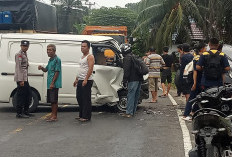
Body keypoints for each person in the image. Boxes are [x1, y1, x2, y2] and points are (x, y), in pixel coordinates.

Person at [182, 42, 206, 121]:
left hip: (199, 81)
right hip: (197, 80)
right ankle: (186, 114)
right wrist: (195, 83)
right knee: (192, 98)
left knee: (199, 97)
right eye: (205, 47)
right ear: (202, 49)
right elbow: (195, 71)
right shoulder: (198, 58)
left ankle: (193, 111)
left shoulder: (198, 57)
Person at [38, 44, 62, 122]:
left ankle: (54, 116)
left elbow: (57, 72)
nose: (48, 51)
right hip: (50, 84)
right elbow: (46, 70)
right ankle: (52, 114)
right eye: (47, 50)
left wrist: (52, 83)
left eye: (50, 50)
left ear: (54, 51)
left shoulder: (57, 60)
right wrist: (42, 68)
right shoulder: (50, 60)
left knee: (54, 100)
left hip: (54, 84)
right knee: (52, 100)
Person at [73, 40, 94, 122]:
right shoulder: (82, 57)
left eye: (84, 46)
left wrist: (86, 79)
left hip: (87, 80)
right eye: (81, 46)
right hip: (80, 79)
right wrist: (76, 79)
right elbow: (80, 69)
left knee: (86, 99)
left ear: (88, 48)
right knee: (79, 98)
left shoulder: (90, 57)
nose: (82, 48)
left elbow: (90, 68)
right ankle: (81, 114)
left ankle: (86, 116)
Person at [121, 44, 143, 118]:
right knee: (135, 96)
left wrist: (124, 80)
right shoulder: (134, 56)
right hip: (139, 79)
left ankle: (129, 113)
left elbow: (126, 70)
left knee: (130, 95)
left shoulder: (127, 58)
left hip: (132, 79)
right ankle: (132, 111)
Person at [14, 40, 33, 118]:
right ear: (21, 46)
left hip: (25, 78)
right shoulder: (19, 54)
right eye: (23, 46)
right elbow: (18, 68)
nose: (25, 47)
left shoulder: (24, 54)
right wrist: (21, 80)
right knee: (21, 96)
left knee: (28, 94)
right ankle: (19, 113)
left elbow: (24, 64)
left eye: (26, 46)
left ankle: (26, 111)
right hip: (21, 78)